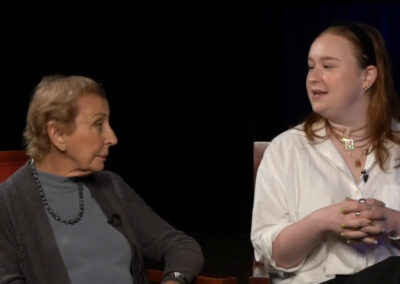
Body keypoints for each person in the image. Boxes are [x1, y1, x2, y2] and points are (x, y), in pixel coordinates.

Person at [0, 75, 204, 284]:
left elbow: (180, 246)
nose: (112, 138)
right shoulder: (8, 204)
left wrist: (175, 280)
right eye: (99, 124)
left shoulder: (112, 187)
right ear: (58, 134)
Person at [251, 22, 400, 284]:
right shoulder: (286, 150)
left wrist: (393, 222)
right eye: (311, 66)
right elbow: (273, 256)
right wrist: (321, 222)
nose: (313, 77)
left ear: (367, 77)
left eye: (328, 66)